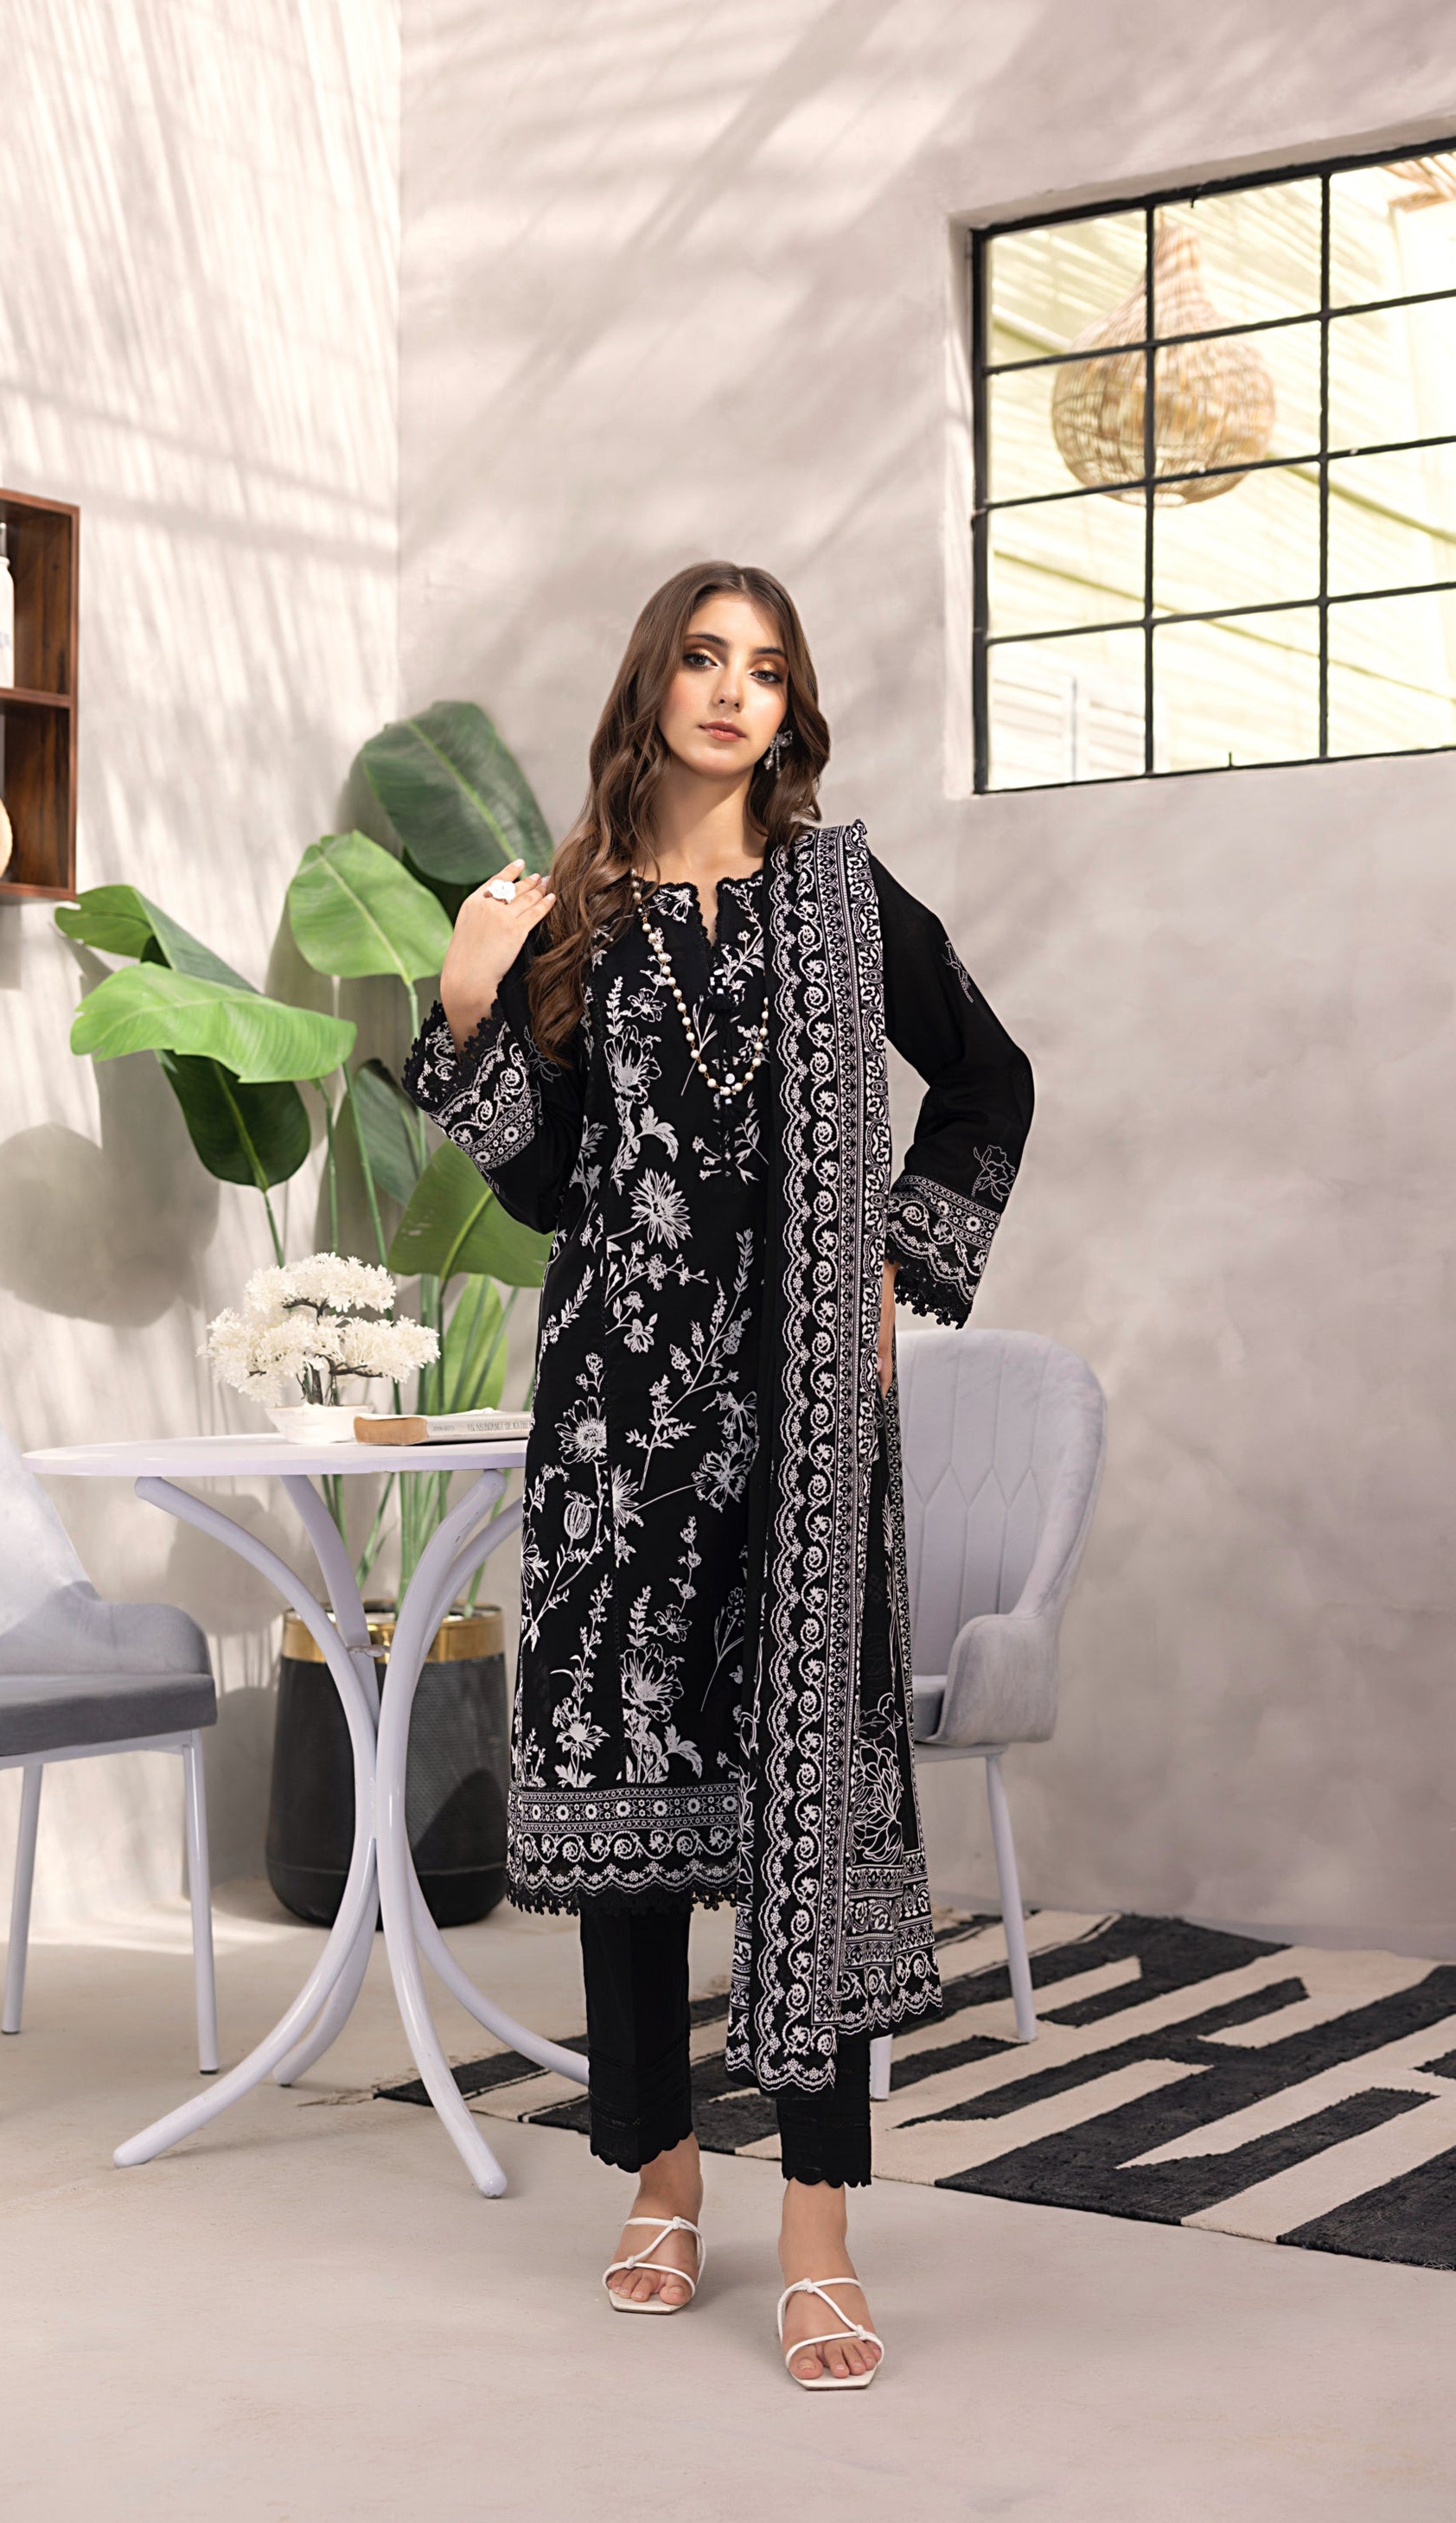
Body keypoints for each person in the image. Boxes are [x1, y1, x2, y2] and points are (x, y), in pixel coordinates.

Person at [403, 560, 1033, 2389]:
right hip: (617, 1416)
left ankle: (819, 2225)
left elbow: (988, 1077)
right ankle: (659, 2173)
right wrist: (465, 1006)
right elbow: (543, 1186)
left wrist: (899, 1257)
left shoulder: (839, 893)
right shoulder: (573, 915)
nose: (732, 690)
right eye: (701, 657)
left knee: (809, 1805)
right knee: (629, 1803)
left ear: (789, 708)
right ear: (652, 684)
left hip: (803, 1418)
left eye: (764, 667)